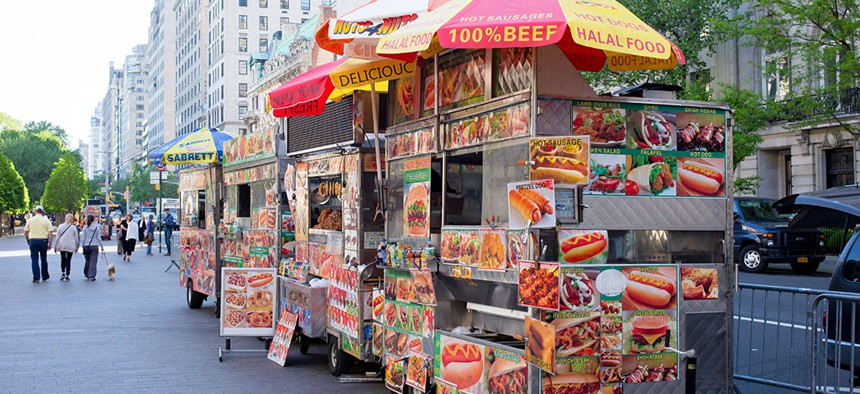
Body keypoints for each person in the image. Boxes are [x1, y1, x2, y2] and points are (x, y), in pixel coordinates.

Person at [24, 206, 53, 283]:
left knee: (34, 259)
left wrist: (28, 240)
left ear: (35, 211)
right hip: (43, 241)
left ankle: (36, 277)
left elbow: (26, 232)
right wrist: (50, 243)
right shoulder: (46, 221)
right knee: (44, 259)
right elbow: (50, 233)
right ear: (42, 211)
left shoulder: (30, 220)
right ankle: (45, 276)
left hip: (33, 241)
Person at [53, 214, 81, 281]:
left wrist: (55, 246)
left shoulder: (60, 226)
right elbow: (76, 239)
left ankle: (63, 272)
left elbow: (57, 238)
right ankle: (67, 275)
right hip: (70, 246)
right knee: (69, 260)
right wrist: (77, 247)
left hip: (62, 244)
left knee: (63, 259)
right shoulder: (73, 228)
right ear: (71, 219)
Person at [81, 214, 104, 280]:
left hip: (86, 246)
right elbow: (99, 238)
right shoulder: (97, 227)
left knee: (87, 260)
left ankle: (86, 273)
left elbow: (83, 238)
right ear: (93, 219)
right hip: (94, 246)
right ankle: (92, 275)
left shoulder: (85, 228)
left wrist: (82, 245)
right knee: (93, 261)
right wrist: (102, 246)